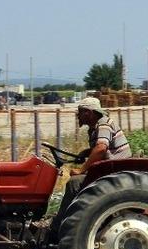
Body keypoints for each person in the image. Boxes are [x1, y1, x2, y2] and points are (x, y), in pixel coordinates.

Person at [45, 96, 132, 233]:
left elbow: (101, 148)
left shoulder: (104, 124)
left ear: (89, 113)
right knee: (76, 181)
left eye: (80, 112)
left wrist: (82, 170)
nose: (78, 115)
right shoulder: (95, 127)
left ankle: (57, 227)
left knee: (74, 183)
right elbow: (101, 148)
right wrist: (85, 153)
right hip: (109, 169)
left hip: (115, 172)